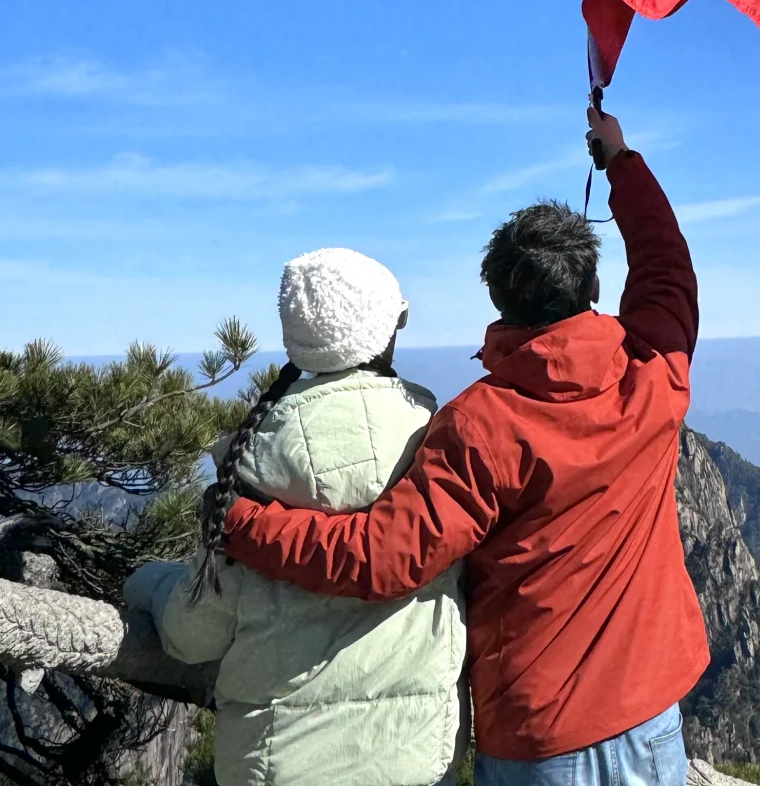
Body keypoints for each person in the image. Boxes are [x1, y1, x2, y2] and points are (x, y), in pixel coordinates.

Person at [224, 107, 709, 786]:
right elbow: (667, 269)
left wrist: (244, 523)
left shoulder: (482, 423)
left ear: (497, 299)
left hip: (544, 737)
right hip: (653, 714)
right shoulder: (652, 369)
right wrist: (621, 161)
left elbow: (383, 556)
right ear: (592, 286)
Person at [123, 247, 467, 786]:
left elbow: (194, 636)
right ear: (390, 330)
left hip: (276, 763)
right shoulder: (442, 441)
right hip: (419, 758)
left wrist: (146, 584)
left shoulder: (255, 458)